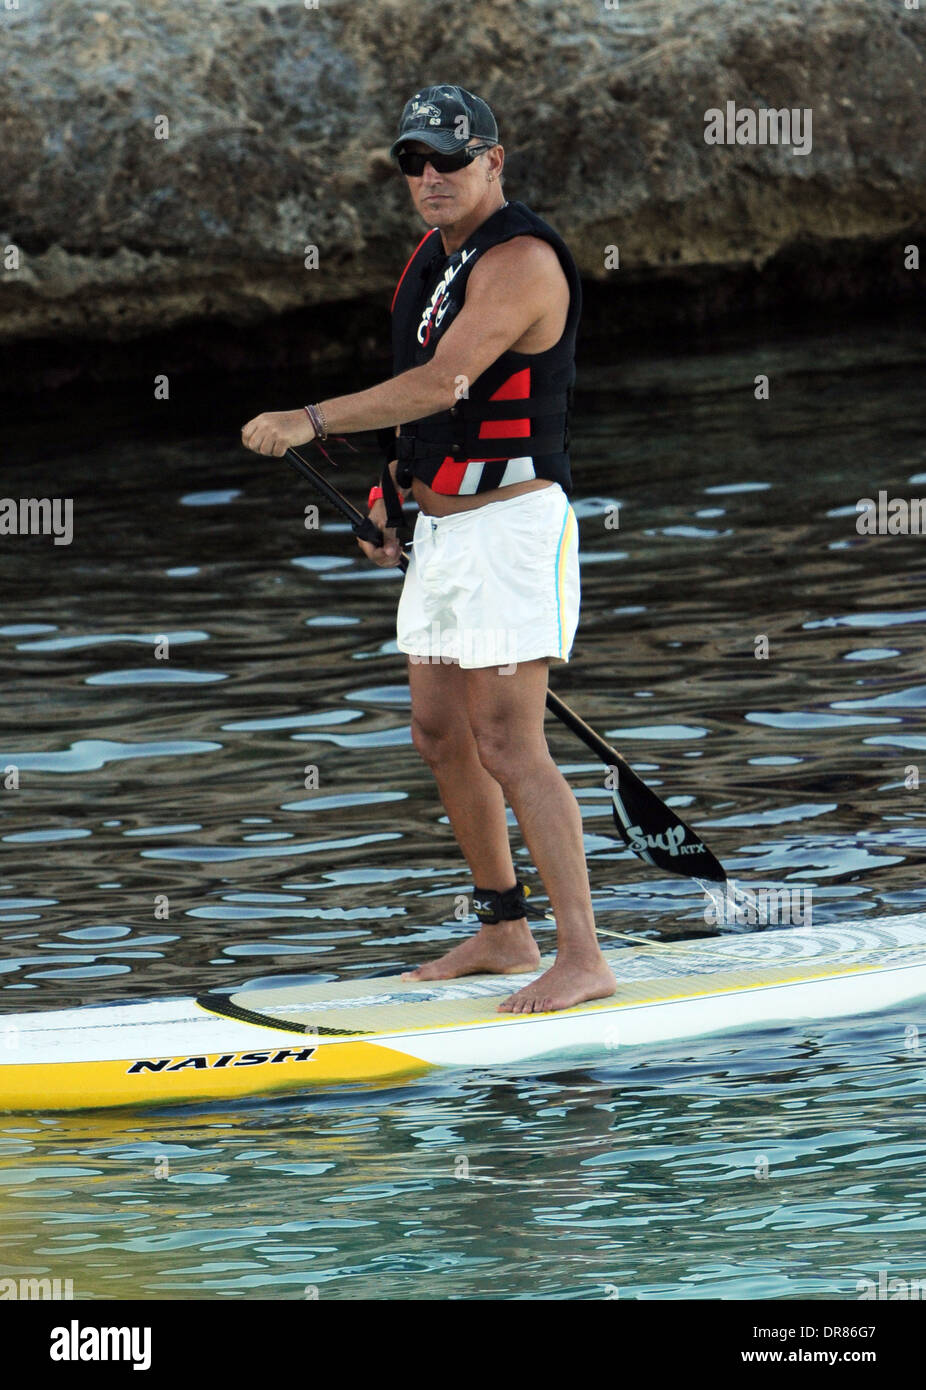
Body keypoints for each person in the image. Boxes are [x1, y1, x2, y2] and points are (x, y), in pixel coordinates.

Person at [241, 85, 615, 1013]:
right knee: (440, 732)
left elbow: (444, 382)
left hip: (515, 529)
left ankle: (583, 956)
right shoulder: (436, 259)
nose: (430, 176)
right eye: (414, 161)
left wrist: (309, 419)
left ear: (495, 159)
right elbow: (427, 414)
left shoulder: (521, 259)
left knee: (507, 739)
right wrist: (391, 499)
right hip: (445, 533)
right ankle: (502, 928)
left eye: (450, 157)